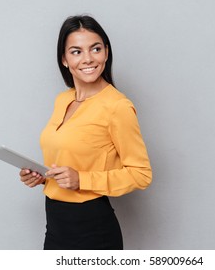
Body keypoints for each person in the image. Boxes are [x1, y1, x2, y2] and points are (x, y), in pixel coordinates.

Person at [19, 15, 152, 250]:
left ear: (106, 53)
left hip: (92, 229)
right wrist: (43, 177)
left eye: (95, 49)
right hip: (55, 224)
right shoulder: (63, 99)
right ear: (64, 59)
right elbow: (70, 159)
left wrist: (81, 179)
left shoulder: (117, 106)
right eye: (76, 51)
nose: (88, 58)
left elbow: (141, 174)